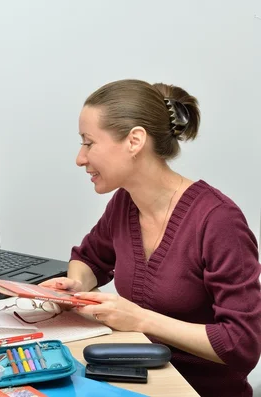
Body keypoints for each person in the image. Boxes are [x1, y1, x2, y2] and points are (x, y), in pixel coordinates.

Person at [41, 79, 261, 397]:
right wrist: (77, 287)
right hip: (137, 385)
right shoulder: (125, 203)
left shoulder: (218, 221)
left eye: (89, 143)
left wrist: (140, 319)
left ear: (135, 141)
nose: (80, 158)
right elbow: (90, 258)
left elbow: (242, 344)